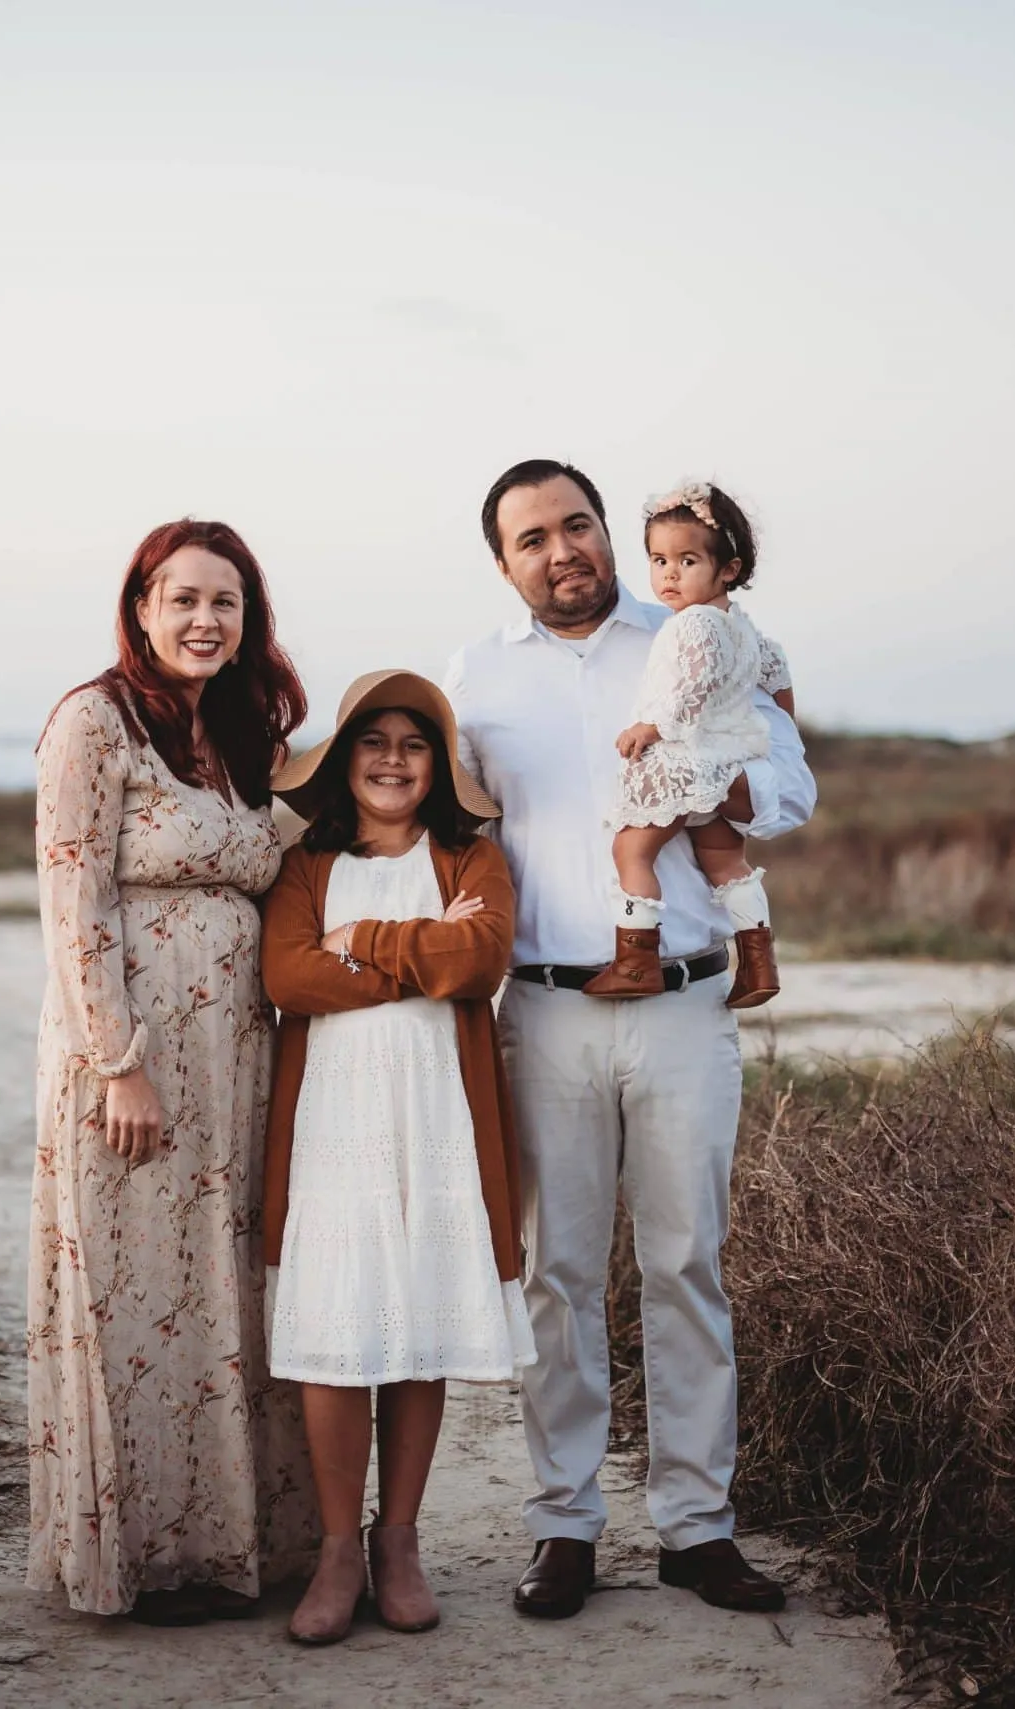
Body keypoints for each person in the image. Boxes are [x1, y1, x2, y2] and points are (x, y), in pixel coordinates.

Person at [442, 459, 817, 1620]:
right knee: (557, 1275)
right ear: (503, 561)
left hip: (685, 1004)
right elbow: (440, 824)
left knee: (686, 1265)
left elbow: (793, 789)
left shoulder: (693, 636)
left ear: (607, 532)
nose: (562, 550)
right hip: (543, 1010)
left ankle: (697, 1527)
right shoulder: (475, 678)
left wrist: (714, 789)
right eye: (531, 538)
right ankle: (563, 1524)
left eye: (577, 525)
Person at [27, 518, 318, 1625]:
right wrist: (118, 1062)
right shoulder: (91, 722)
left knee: (223, 1283)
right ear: (140, 606)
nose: (205, 620)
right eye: (184, 598)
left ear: (249, 622)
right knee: (135, 1288)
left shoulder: (236, 736)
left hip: (236, 1055)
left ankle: (235, 1544)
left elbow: (283, 846)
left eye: (226, 603)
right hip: (135, 1057)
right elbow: (74, 898)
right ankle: (143, 1554)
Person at [256, 671, 532, 1645]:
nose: (391, 758)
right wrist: (420, 954)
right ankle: (337, 1547)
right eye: (371, 740)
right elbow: (286, 972)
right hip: (333, 1119)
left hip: (440, 1119)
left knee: (419, 1318)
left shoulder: (470, 857)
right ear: (342, 760)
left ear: (437, 764)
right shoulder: (307, 865)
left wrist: (362, 942)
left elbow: (482, 958)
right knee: (337, 1325)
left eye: (413, 742)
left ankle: (398, 1540)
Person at [588, 479, 796, 1007]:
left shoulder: (693, 624)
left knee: (631, 848)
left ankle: (635, 960)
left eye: (686, 561)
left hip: (684, 759)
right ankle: (758, 960)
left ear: (729, 568)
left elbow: (691, 684)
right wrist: (771, 732)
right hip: (731, 760)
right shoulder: (746, 629)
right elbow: (777, 681)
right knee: (725, 862)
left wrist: (652, 727)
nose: (669, 575)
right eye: (658, 561)